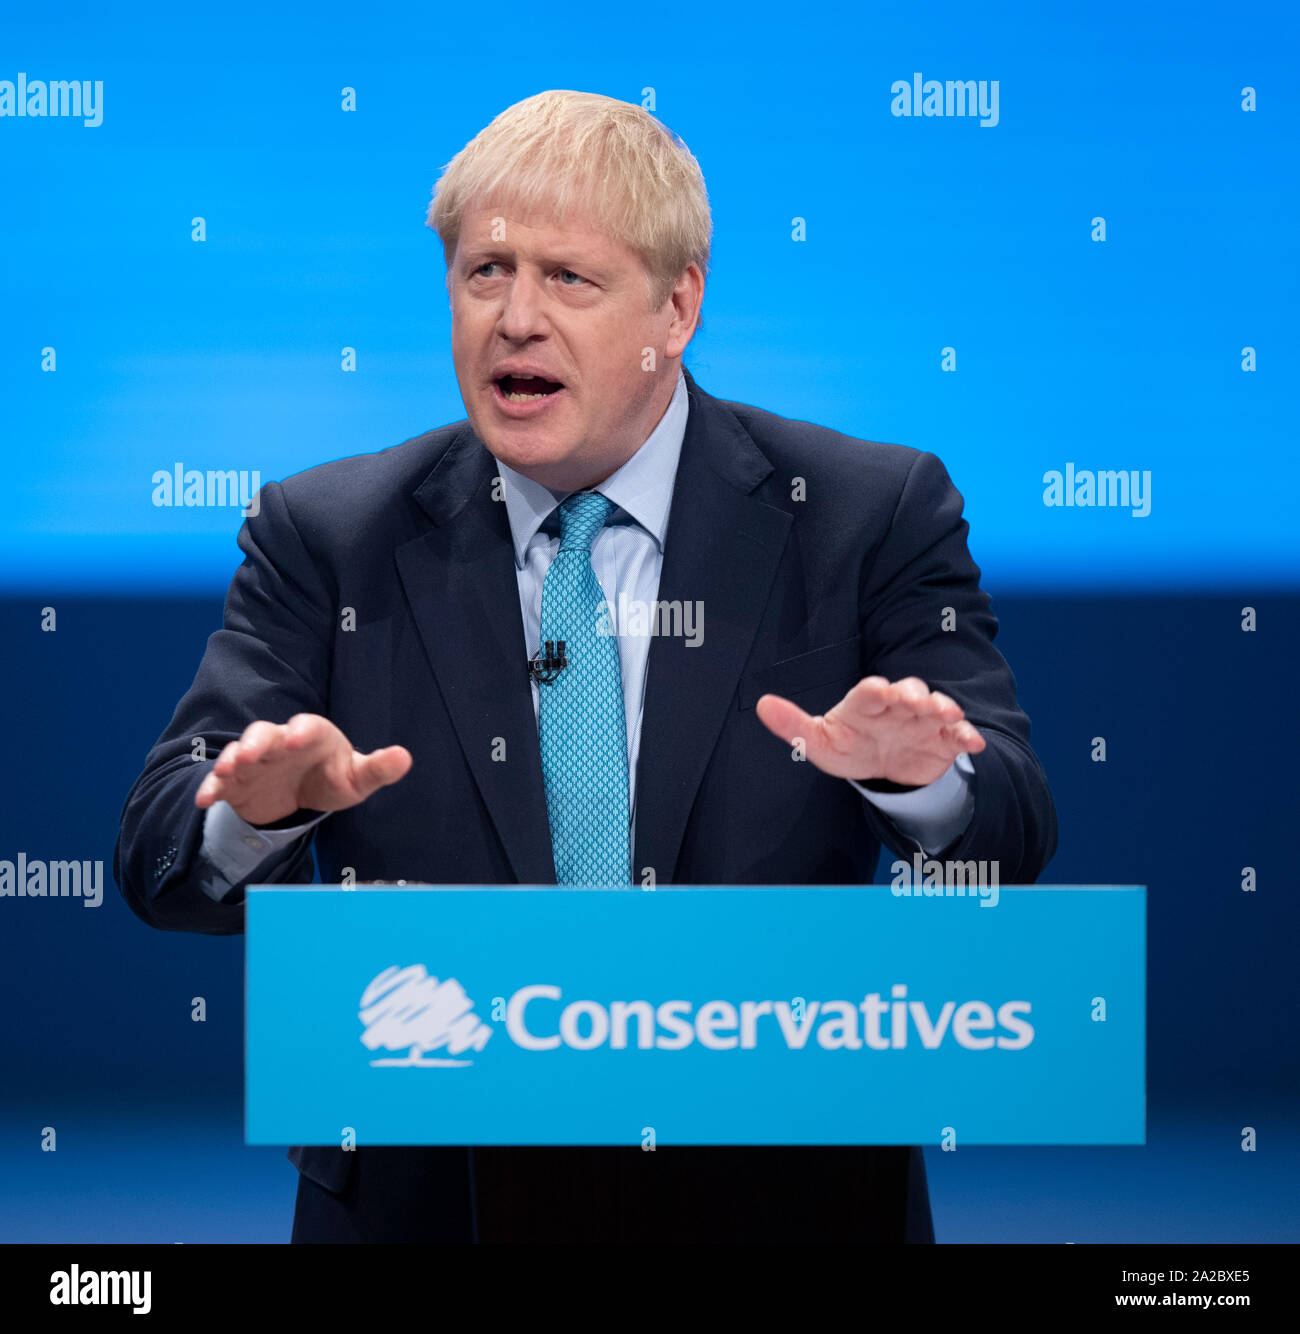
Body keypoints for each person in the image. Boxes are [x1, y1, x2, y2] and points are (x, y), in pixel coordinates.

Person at [115, 89, 1057, 1244]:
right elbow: (160, 862)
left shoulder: (863, 513)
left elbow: (1011, 826)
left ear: (678, 305)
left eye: (567, 277)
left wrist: (921, 780)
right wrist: (254, 812)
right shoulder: (330, 534)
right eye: (485, 272)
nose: (515, 319)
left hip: (781, 1201)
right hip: (434, 1202)